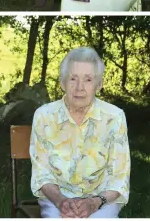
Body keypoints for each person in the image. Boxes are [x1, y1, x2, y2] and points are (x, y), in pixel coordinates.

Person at [30, 47, 130, 218]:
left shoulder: (115, 117)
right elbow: (42, 174)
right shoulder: (44, 116)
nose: (79, 88)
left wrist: (94, 202)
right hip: (56, 198)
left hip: (102, 199)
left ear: (99, 85)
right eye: (73, 78)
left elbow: (119, 178)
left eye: (88, 80)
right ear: (62, 82)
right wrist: (61, 202)